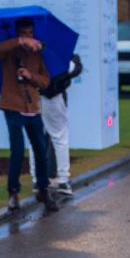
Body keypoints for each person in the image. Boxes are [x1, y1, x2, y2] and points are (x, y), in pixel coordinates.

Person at [0, 16, 56, 212]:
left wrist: (31, 76)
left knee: (40, 148)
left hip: (32, 107)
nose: (28, 38)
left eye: (30, 34)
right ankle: (13, 192)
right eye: (24, 34)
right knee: (18, 150)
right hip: (12, 105)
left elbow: (45, 81)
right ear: (18, 34)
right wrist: (19, 42)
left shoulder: (38, 54)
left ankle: (43, 189)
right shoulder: (9, 50)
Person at [37, 52, 83, 197]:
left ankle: (38, 179)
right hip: (51, 96)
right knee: (59, 138)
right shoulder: (59, 53)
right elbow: (74, 68)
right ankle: (62, 179)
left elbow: (75, 68)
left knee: (38, 138)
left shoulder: (35, 52)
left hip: (40, 96)